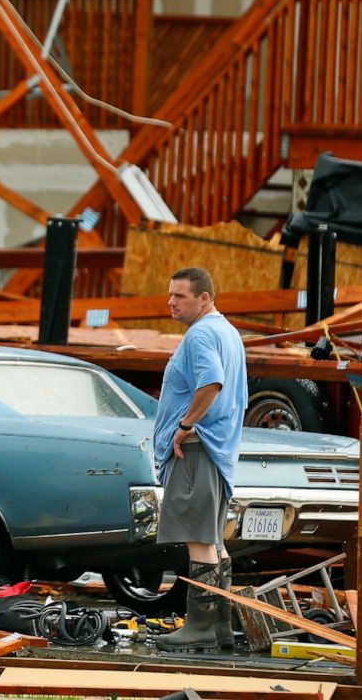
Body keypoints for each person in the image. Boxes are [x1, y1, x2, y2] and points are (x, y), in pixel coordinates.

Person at [151, 267, 247, 652]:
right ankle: (221, 628)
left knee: (197, 540)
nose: (171, 302)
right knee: (214, 541)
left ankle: (200, 627)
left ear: (204, 298)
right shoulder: (227, 331)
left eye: (180, 296)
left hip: (195, 449)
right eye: (170, 294)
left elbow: (212, 382)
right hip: (216, 450)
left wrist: (185, 424)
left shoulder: (202, 334)